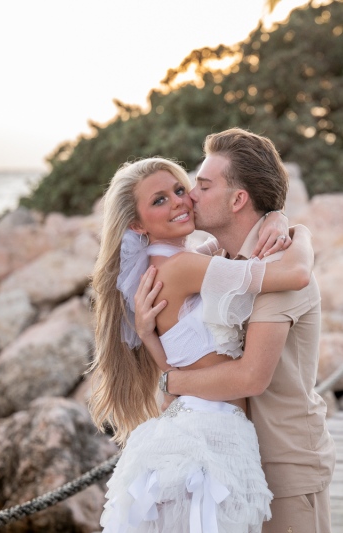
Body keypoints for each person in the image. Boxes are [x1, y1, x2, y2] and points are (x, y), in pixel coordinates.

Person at [88, 156, 315, 533]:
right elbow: (296, 273)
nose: (178, 201)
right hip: (210, 436)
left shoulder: (173, 262)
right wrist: (302, 232)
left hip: (196, 425)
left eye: (180, 189)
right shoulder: (181, 268)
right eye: (159, 200)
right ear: (136, 224)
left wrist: (277, 216)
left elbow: (177, 363)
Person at [136, 128, 335, 533]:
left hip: (285, 466)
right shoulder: (222, 258)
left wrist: (169, 381)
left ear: (238, 199)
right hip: (232, 462)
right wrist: (148, 335)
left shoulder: (277, 269)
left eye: (202, 186)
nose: (189, 196)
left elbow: (250, 376)